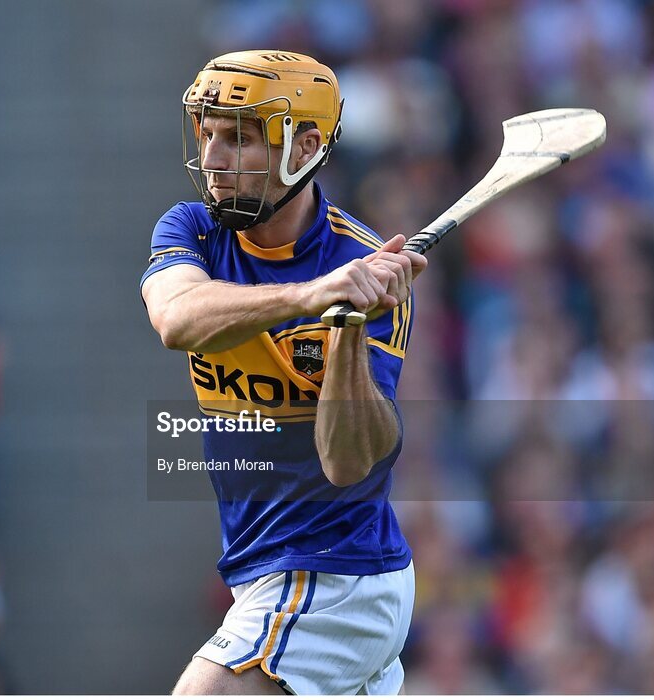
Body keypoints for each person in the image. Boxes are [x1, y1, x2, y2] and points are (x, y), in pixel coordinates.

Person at [141, 50, 427, 695]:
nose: (214, 158)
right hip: (264, 571)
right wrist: (306, 297)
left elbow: (350, 463)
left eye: (239, 137)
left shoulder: (361, 266)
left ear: (305, 145)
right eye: (208, 133)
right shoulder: (194, 230)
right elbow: (175, 318)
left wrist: (347, 331)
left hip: (333, 575)